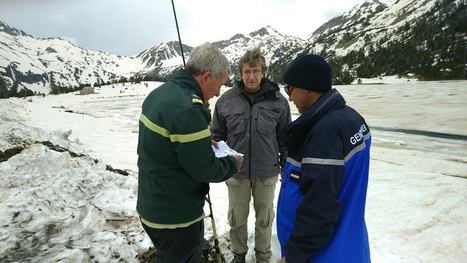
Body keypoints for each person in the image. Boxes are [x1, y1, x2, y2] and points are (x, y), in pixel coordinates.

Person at [136, 42, 244, 263]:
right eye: (219, 85)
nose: (217, 93)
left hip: (152, 205)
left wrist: (202, 141)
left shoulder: (160, 94)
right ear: (205, 77)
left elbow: (171, 144)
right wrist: (233, 164)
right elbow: (204, 169)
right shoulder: (189, 109)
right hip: (177, 217)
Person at [276, 54, 371, 263]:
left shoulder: (325, 132)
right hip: (349, 245)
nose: (289, 97)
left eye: (289, 88)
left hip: (325, 254)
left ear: (307, 87)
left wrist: (294, 255)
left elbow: (320, 207)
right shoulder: (352, 118)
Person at [211, 47, 291, 263]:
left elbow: (285, 139)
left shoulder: (278, 101)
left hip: (267, 172)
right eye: (247, 71)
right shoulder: (226, 101)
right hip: (236, 173)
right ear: (241, 73)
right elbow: (216, 136)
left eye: (256, 71)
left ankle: (263, 256)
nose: (251, 76)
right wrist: (219, 163)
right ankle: (238, 254)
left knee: (265, 218)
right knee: (237, 218)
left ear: (263, 71)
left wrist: (287, 168)